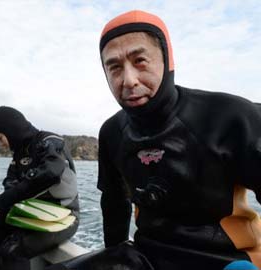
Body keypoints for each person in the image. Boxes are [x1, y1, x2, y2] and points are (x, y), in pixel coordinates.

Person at [49, 9, 261, 270]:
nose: (128, 80)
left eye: (140, 61)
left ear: (167, 60)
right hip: (148, 255)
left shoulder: (229, 116)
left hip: (226, 258)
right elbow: (115, 204)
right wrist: (113, 258)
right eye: (114, 67)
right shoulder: (113, 132)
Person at [0, 106, 79, 270]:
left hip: (63, 215)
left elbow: (50, 172)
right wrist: (2, 203)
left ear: (11, 130)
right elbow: (10, 182)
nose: (1, 143)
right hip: (31, 213)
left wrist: (8, 197)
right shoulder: (19, 154)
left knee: (12, 251)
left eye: (1, 138)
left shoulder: (50, 141)